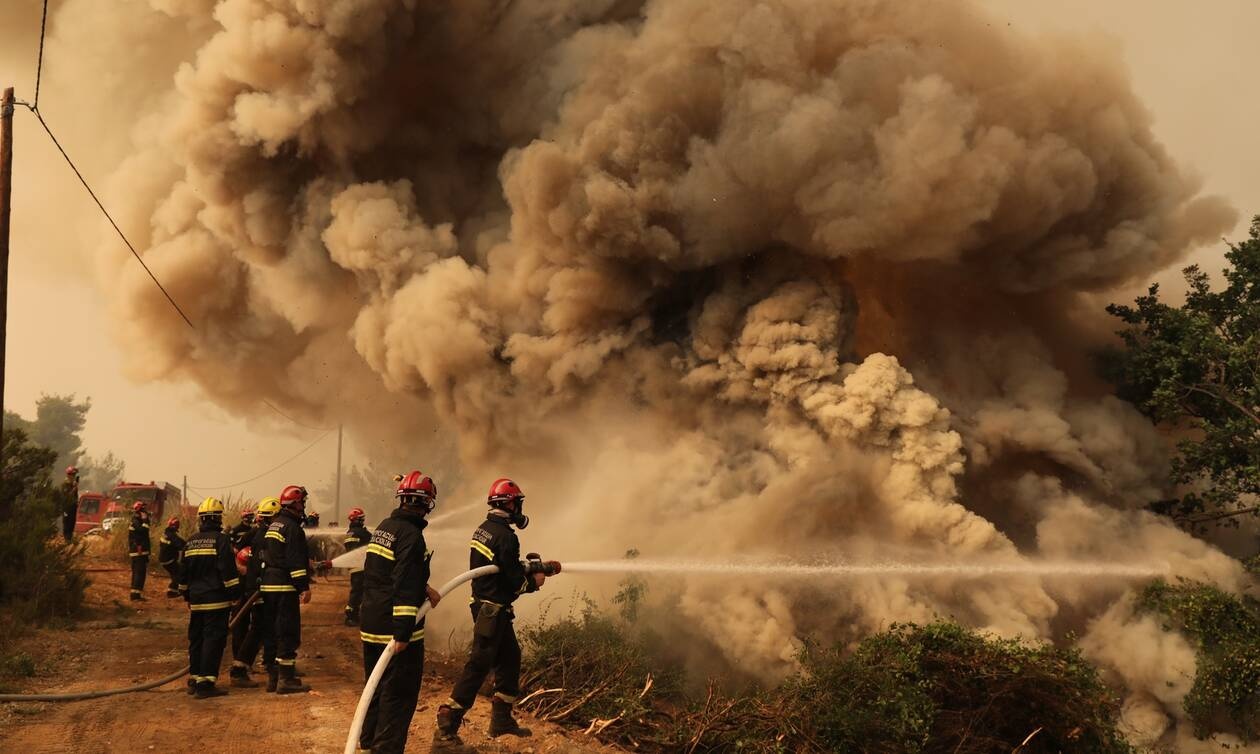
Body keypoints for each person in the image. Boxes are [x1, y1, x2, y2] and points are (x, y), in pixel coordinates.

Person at [435, 478, 562, 747]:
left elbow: (503, 566)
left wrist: (532, 566)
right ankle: (448, 723)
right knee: (479, 664)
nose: (519, 508)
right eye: (517, 503)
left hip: (489, 607)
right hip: (492, 610)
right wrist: (534, 582)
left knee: (510, 658)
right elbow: (513, 581)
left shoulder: (485, 529)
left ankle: (501, 720)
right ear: (509, 503)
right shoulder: (506, 536)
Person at [357, 472, 442, 754]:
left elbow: (383, 574)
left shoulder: (384, 527)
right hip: (395, 629)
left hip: (372, 621)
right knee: (398, 697)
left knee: (376, 689)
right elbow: (404, 586)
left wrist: (425, 586)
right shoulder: (412, 536)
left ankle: (369, 743)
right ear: (426, 503)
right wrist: (403, 632)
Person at [179, 497, 241, 699]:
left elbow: (183, 574)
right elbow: (228, 571)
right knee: (212, 641)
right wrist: (236, 594)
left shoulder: (191, 541)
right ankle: (205, 684)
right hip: (216, 600)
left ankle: (194, 679)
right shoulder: (221, 540)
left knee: (196, 640)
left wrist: (187, 595)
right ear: (216, 518)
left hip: (196, 601)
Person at [262, 484, 312, 694]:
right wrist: (303, 587)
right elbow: (294, 561)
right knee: (288, 632)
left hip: (268, 586)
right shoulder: (293, 529)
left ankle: (273, 679)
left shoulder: (275, 525)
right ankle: (286, 680)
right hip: (284, 587)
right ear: (295, 504)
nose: (303, 507)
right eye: (302, 503)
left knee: (273, 632)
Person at [237, 496, 279, 690]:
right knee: (260, 629)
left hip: (255, 588)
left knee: (260, 629)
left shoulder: (256, 534)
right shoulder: (266, 537)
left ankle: (250, 666)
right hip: (260, 590)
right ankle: (239, 670)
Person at [343, 507, 371, 627]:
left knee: (356, 590)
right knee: (359, 591)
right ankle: (351, 615)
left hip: (354, 566)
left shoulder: (349, 533)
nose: (363, 521)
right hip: (361, 566)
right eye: (361, 519)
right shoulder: (362, 532)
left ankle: (353, 613)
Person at [127, 500, 151, 601]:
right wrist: (145, 520)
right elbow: (141, 532)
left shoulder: (138, 519)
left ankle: (136, 594)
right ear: (140, 510)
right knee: (139, 573)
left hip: (139, 550)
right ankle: (135, 596)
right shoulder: (137, 520)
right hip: (138, 551)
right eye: (143, 509)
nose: (145, 511)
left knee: (139, 573)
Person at [158, 517, 186, 598]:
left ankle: (171, 591)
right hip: (169, 559)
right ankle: (172, 592)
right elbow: (180, 545)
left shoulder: (166, 533)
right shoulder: (172, 535)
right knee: (179, 573)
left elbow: (178, 540)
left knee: (174, 573)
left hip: (163, 559)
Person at [59, 466, 80, 543]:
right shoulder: (65, 484)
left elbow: (75, 496)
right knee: (67, 522)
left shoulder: (73, 484)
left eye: (74, 475)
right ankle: (66, 538)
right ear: (69, 475)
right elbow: (67, 495)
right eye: (73, 474)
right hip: (66, 506)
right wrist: (74, 488)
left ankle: (70, 538)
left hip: (73, 506)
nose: (74, 476)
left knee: (72, 521)